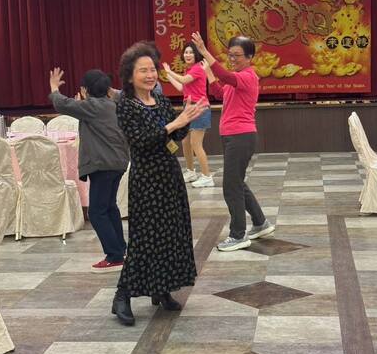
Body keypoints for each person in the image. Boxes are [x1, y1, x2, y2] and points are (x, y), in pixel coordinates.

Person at [111, 43, 206, 326]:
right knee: (144, 239)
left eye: (152, 69)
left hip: (169, 176)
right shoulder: (126, 105)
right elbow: (141, 141)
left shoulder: (161, 101)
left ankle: (162, 289)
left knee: (171, 234)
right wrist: (174, 124)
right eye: (143, 70)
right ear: (130, 76)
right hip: (146, 180)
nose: (150, 75)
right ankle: (122, 296)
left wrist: (187, 119)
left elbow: (173, 138)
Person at [191, 32, 275, 252]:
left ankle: (238, 235)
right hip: (233, 137)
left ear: (249, 57)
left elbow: (226, 77)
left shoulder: (248, 76)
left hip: (240, 136)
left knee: (231, 187)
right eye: (230, 55)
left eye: (237, 55)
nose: (232, 59)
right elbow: (220, 92)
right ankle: (261, 223)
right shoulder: (237, 78)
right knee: (237, 183)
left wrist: (205, 52)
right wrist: (209, 74)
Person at [49, 68, 129, 272]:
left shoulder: (91, 106)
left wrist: (54, 87)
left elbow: (62, 103)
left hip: (103, 164)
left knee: (96, 212)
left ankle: (114, 256)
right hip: (117, 162)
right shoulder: (113, 104)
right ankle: (120, 249)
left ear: (85, 89)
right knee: (109, 207)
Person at [163, 42, 213, 188]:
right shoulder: (189, 70)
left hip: (199, 108)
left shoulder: (197, 68)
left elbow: (183, 81)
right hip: (189, 109)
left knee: (196, 144)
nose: (188, 55)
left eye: (191, 52)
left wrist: (170, 71)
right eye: (186, 52)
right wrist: (168, 75)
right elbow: (181, 87)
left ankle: (207, 176)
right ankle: (191, 172)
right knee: (185, 142)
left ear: (196, 54)